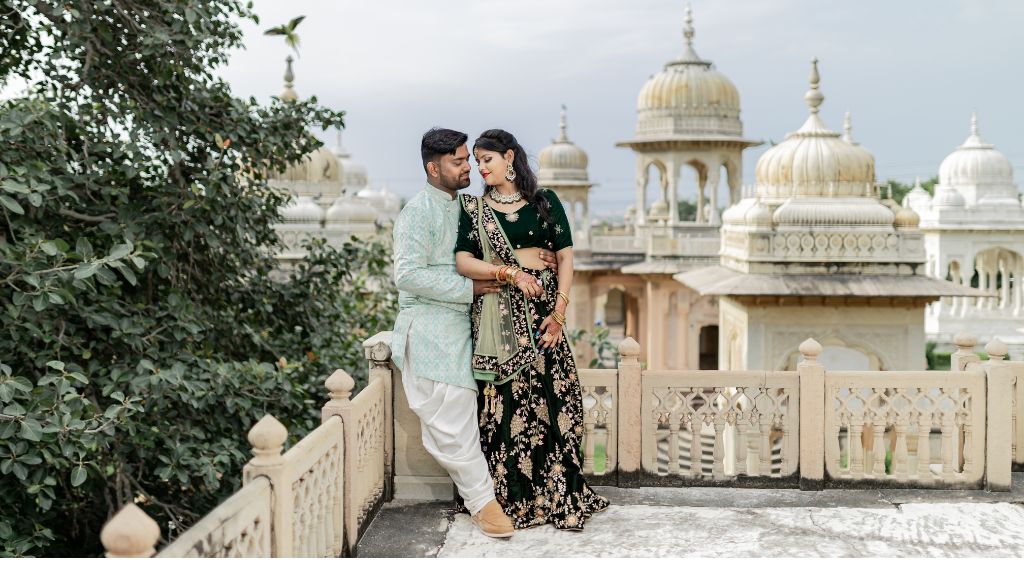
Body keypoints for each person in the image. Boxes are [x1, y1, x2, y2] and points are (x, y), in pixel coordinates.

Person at [454, 129, 609, 531]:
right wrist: (509, 270)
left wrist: (558, 314)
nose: (480, 167)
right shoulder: (473, 211)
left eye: (487, 159)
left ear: (509, 158)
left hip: (543, 317)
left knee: (551, 400)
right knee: (506, 405)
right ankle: (511, 497)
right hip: (499, 321)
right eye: (476, 161)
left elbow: (565, 259)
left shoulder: (545, 202)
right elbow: (464, 262)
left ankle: (556, 490)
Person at [390, 128, 514, 538]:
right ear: (433, 167)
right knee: (454, 409)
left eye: (468, 160)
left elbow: (508, 236)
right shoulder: (417, 212)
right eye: (459, 161)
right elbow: (406, 275)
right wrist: (468, 287)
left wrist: (539, 254)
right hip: (429, 326)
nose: (469, 168)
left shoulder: (470, 206)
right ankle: (483, 503)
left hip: (471, 322)